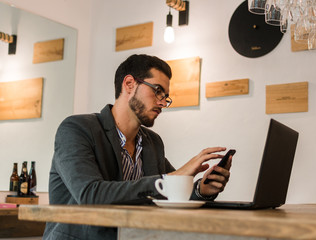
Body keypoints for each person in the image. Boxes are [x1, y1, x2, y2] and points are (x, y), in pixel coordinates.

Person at [43, 54, 232, 240]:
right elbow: (90, 195)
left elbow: (170, 193)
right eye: (157, 91)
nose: (162, 103)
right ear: (129, 84)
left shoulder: (152, 142)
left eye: (165, 96)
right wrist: (171, 178)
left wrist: (202, 189)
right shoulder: (77, 129)